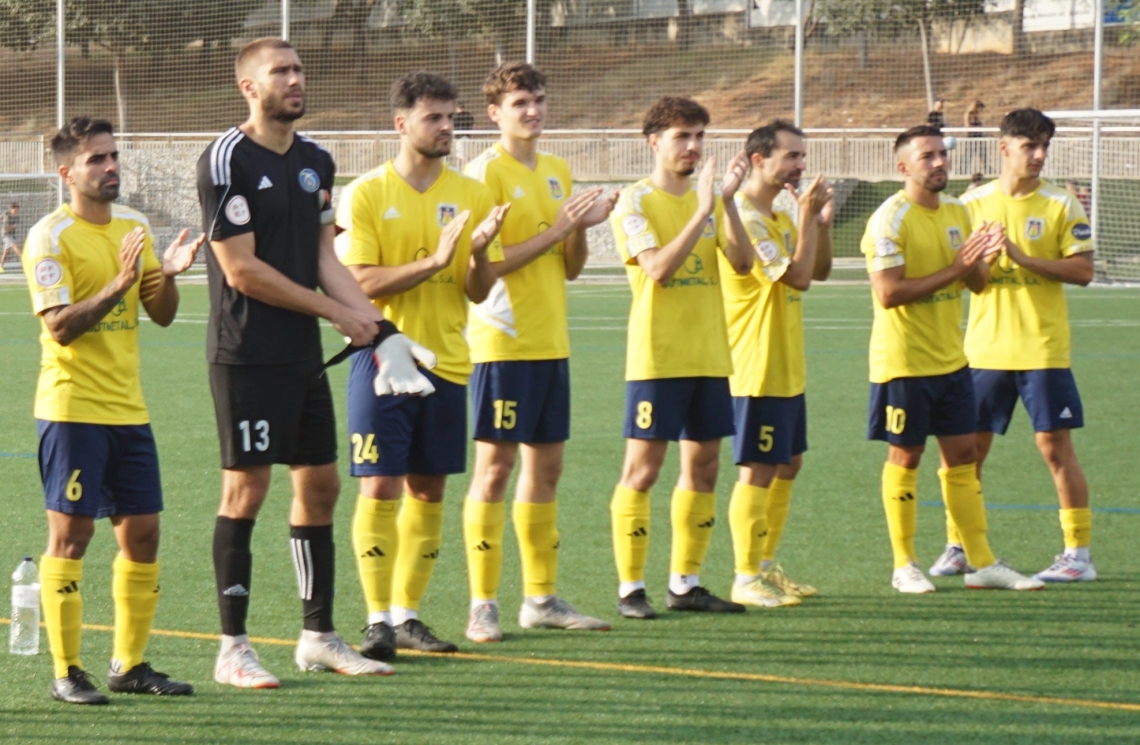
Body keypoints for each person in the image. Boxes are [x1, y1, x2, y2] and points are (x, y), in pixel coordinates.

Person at [197, 38, 404, 689]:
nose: (295, 80)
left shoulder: (317, 161)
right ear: (249, 88)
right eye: (280, 72)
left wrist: (379, 325)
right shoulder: (226, 158)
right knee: (247, 490)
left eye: (298, 69)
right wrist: (334, 314)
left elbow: (324, 257)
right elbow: (242, 269)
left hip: (302, 357)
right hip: (247, 354)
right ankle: (233, 645)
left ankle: (317, 635)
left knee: (320, 485)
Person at [26, 117, 203, 704]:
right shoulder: (50, 237)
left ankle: (128, 665)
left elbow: (163, 312)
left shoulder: (135, 225)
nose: (110, 167)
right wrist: (120, 281)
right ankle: (66, 671)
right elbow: (61, 328)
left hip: (129, 409)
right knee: (72, 537)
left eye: (113, 156)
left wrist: (167, 276)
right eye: (96, 159)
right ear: (66, 173)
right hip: (72, 409)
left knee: (144, 535)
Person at [336, 71, 508, 660]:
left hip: (449, 363)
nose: (447, 127)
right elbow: (358, 281)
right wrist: (435, 260)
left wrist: (479, 253)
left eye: (452, 117)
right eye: (434, 117)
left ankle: (408, 616)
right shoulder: (365, 193)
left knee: (429, 490)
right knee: (380, 485)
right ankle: (376, 619)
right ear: (401, 123)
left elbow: (479, 290)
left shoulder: (474, 193)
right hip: (382, 357)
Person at [460, 62, 615, 643]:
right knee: (494, 468)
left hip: (551, 340)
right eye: (521, 102)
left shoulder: (556, 169)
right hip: (502, 341)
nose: (534, 111)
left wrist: (581, 227)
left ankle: (541, 598)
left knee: (546, 468)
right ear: (496, 112)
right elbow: (486, 266)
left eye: (540, 100)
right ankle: (483, 603)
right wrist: (556, 229)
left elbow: (570, 269)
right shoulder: (484, 174)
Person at [860, 124, 1044, 594]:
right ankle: (904, 564)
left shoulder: (959, 211)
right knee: (906, 456)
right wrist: (957, 267)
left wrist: (983, 261)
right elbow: (888, 293)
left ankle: (981, 562)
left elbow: (976, 284)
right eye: (928, 157)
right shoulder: (889, 219)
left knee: (963, 457)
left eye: (943, 154)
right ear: (904, 167)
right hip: (903, 362)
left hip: (951, 360)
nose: (940, 163)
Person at [934, 109, 1096, 583]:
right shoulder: (971, 204)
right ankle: (960, 545)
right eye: (1030, 145)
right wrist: (978, 263)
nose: (1040, 154)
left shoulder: (1061, 204)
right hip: (983, 351)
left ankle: (1077, 554)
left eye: (1045, 145)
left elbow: (1083, 271)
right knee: (966, 453)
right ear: (1004, 147)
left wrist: (1023, 257)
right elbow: (973, 283)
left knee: (1054, 447)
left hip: (1043, 349)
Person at [608, 96, 754, 619]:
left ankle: (685, 584)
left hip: (709, 354)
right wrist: (702, 209)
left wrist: (728, 202)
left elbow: (741, 263)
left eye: (699, 137)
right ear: (655, 142)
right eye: (681, 137)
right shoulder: (635, 201)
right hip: (658, 357)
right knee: (643, 470)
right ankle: (630, 588)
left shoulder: (710, 201)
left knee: (705, 467)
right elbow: (658, 269)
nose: (692, 147)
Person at [720, 120, 833, 609]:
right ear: (759, 159)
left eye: (802, 157)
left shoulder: (783, 217)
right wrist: (806, 216)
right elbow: (798, 280)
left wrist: (818, 226)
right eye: (791, 156)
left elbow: (820, 269)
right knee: (759, 468)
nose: (799, 166)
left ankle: (764, 565)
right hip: (755, 363)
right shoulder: (745, 216)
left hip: (786, 362)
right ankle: (744, 575)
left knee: (789, 462)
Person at [0, 202, 21, 271]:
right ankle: (24, 260)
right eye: (15, 210)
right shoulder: (7, 216)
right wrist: (12, 227)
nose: (16, 212)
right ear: (11, 209)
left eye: (17, 211)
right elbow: (5, 227)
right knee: (15, 246)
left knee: (6, 252)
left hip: (12, 234)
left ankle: (0, 266)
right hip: (6, 235)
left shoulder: (17, 217)